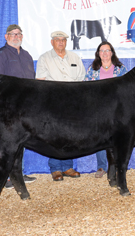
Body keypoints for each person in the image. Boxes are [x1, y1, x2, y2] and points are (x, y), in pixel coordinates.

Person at [0, 24, 37, 188]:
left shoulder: (26, 55)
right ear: (6, 36)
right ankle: (5, 176)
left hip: (26, 107)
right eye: (12, 34)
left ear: (22, 37)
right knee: (6, 142)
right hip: (8, 108)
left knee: (21, 140)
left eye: (19, 34)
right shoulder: (0, 55)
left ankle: (17, 174)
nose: (16, 36)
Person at [36, 30, 85, 181]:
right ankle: (56, 168)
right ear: (52, 42)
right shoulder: (44, 58)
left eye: (63, 39)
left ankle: (68, 166)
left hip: (72, 102)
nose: (61, 42)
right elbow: (40, 81)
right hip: (53, 102)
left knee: (70, 134)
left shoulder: (74, 57)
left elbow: (82, 78)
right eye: (57, 40)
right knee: (54, 136)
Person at [84, 41, 128, 178]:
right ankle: (102, 166)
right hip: (98, 110)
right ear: (98, 54)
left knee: (118, 139)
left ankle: (116, 166)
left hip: (117, 110)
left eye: (107, 50)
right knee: (100, 138)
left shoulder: (120, 69)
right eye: (102, 51)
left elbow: (126, 89)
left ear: (112, 52)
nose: (104, 53)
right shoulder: (92, 69)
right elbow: (86, 88)